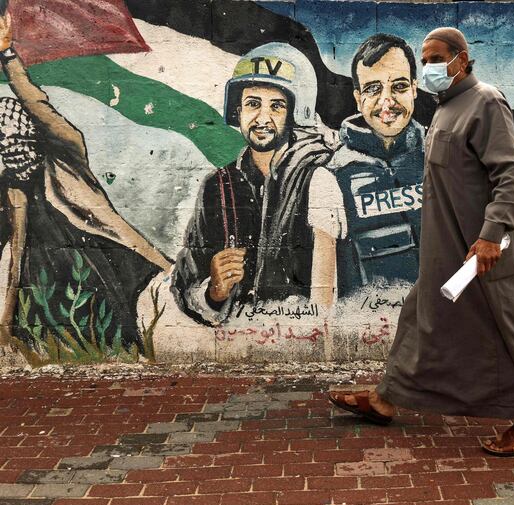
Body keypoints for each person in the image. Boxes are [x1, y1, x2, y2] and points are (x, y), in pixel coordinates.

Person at [329, 27, 514, 457]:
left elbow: (510, 176)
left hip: (480, 251)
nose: (429, 68)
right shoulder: (446, 109)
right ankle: (385, 400)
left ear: (461, 60)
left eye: (436, 59)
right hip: (444, 247)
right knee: (419, 319)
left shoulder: (485, 102)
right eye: (425, 59)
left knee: (503, 326)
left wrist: (490, 236)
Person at [0, 13, 171, 356]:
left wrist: (8, 58)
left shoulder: (66, 158)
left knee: (116, 327)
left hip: (102, 265)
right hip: (44, 285)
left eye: (16, 134)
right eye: (3, 141)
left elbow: (40, 107)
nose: (11, 145)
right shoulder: (10, 189)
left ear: (33, 133)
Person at [171, 43, 344, 323]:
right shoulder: (217, 187)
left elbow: (331, 298)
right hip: (236, 344)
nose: (262, 118)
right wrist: (213, 292)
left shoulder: (317, 179)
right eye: (253, 104)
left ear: (294, 114)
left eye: (276, 106)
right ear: (237, 111)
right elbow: (185, 283)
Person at [328, 34, 425, 297]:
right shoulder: (333, 176)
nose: (387, 101)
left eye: (400, 86)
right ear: (358, 98)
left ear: (415, 89)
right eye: (373, 88)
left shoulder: (442, 159)